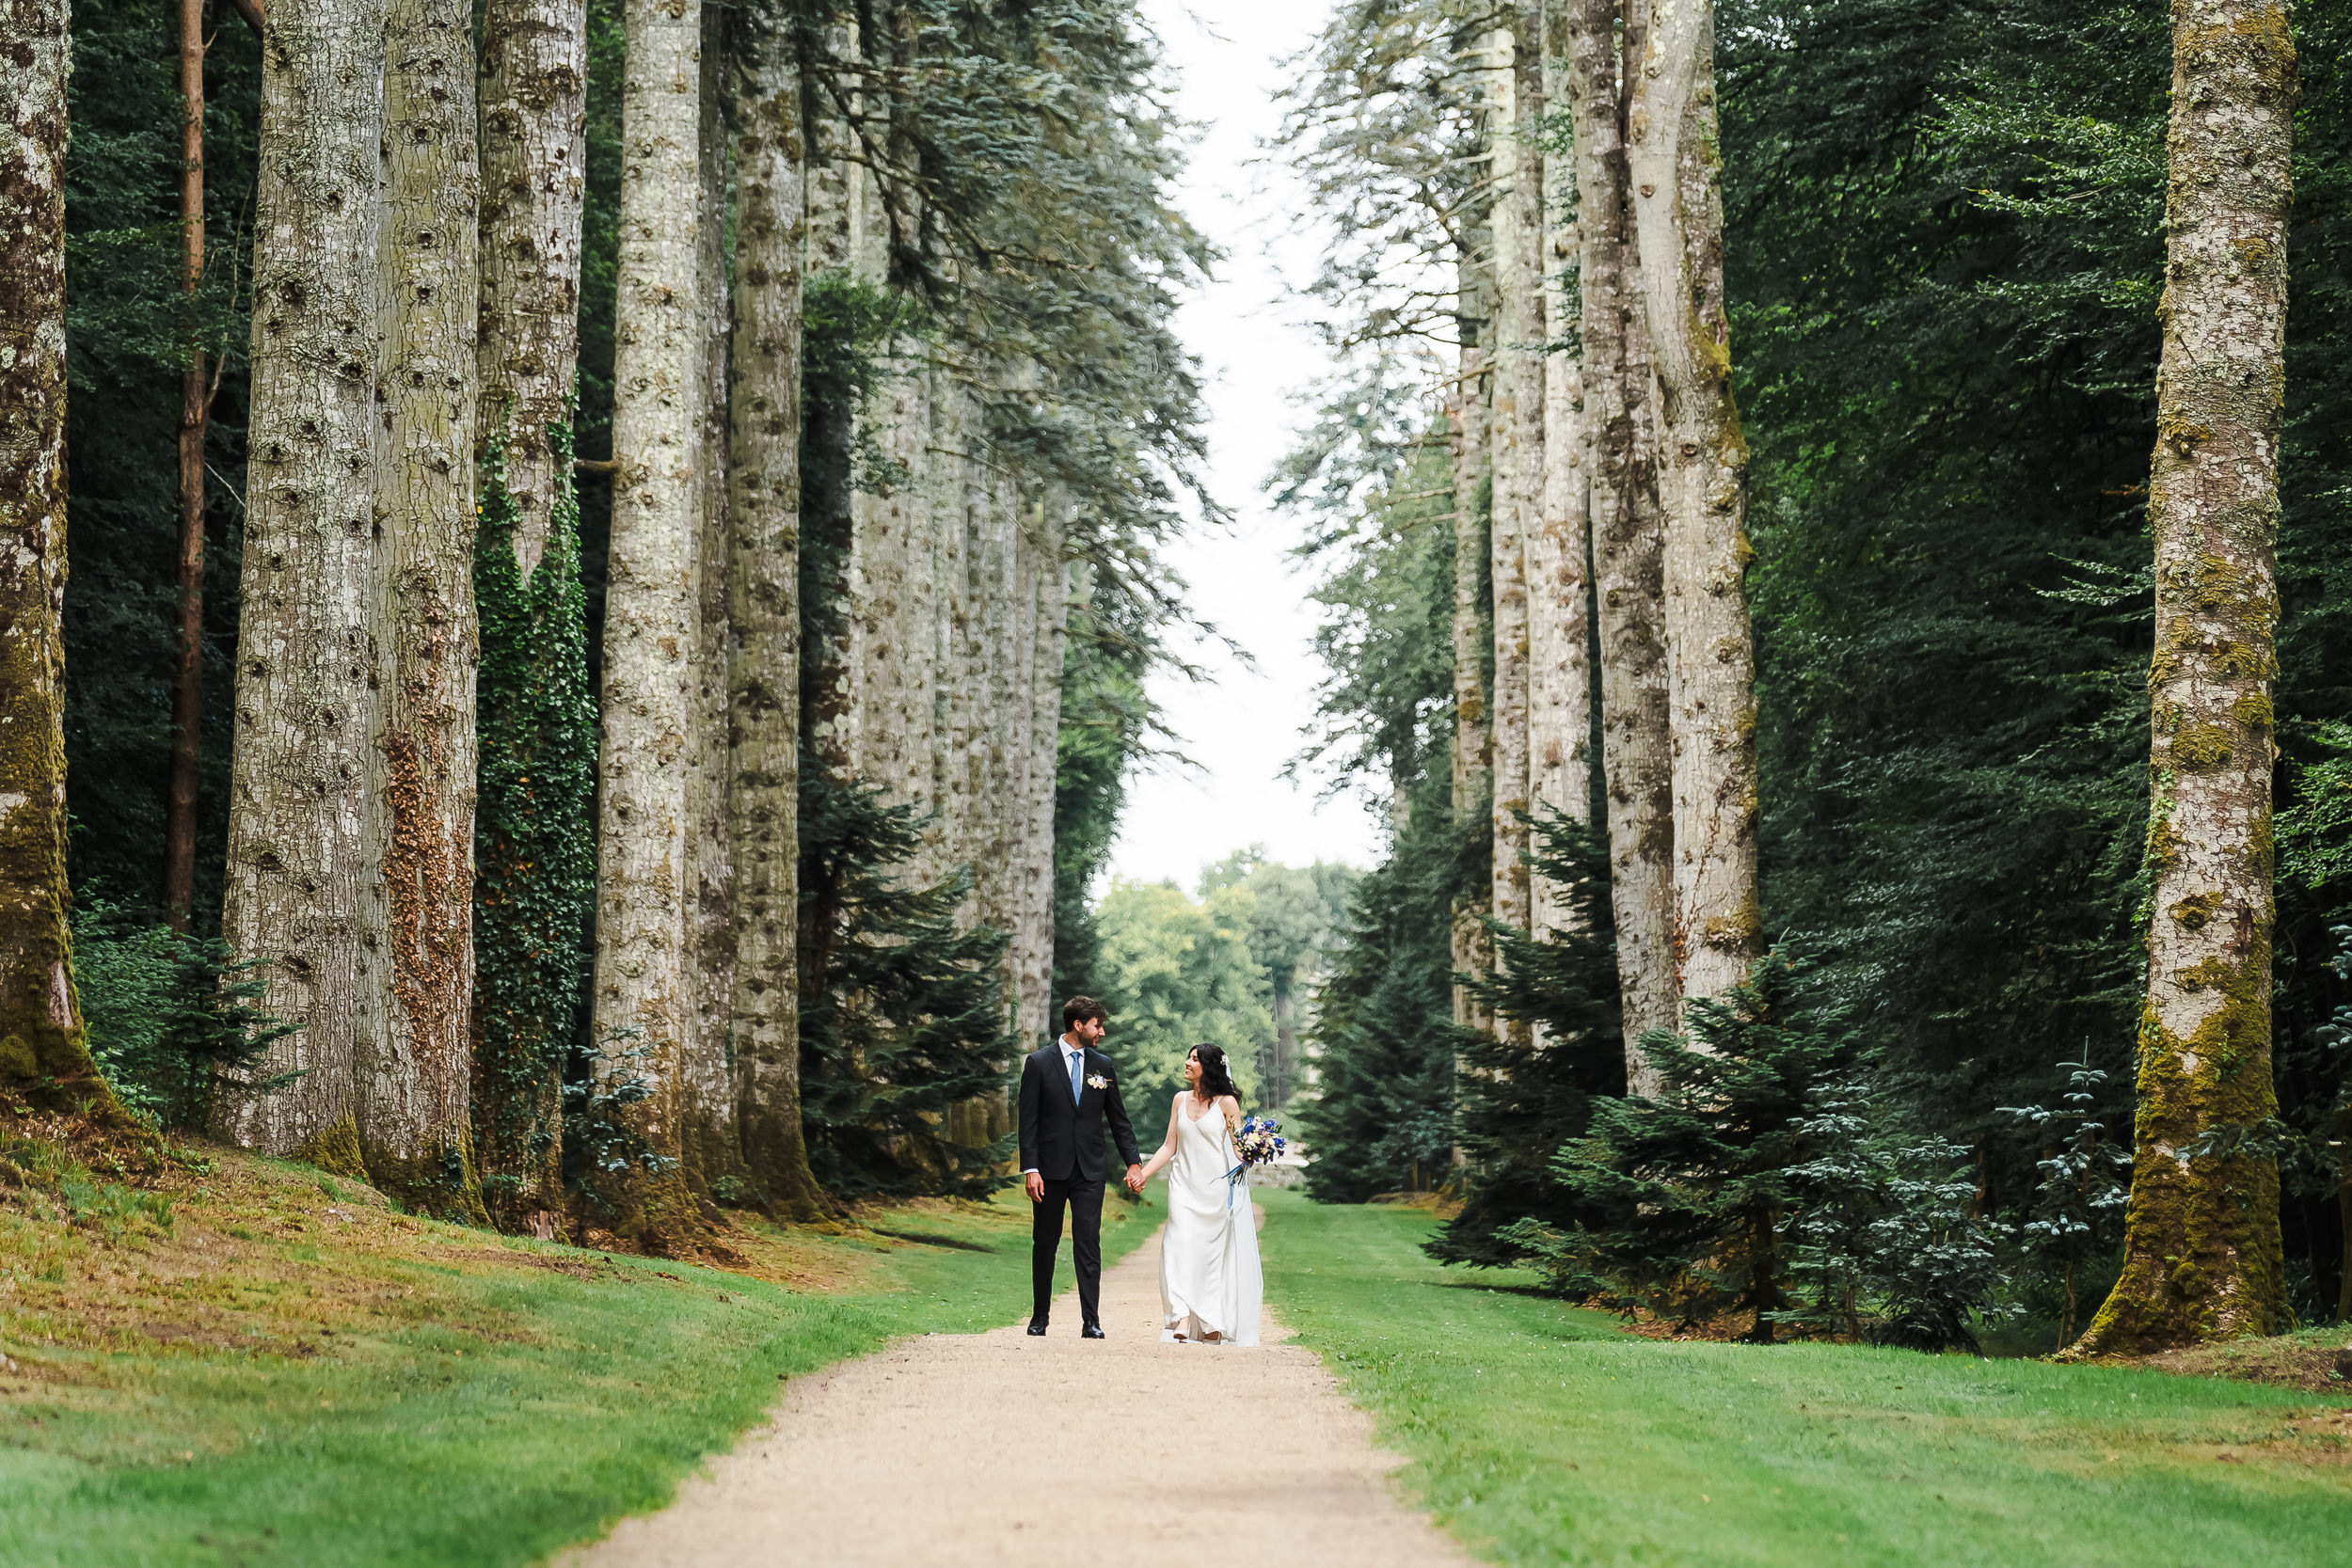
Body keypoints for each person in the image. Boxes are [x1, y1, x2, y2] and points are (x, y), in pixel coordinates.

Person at [1018, 995, 1143, 1338]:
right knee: (1045, 1242)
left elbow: (1119, 1120)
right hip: (1049, 1170)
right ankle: (1039, 1317)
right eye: (1097, 1025)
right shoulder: (1039, 1063)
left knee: (1088, 1242)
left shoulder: (1102, 1065)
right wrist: (1031, 1168)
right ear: (1078, 1025)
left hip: (1090, 1171)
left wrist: (1133, 1162)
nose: (1101, 1032)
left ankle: (1091, 1321)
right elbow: (1027, 1122)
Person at [1133, 1043, 1263, 1346]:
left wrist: (1257, 1147)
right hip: (1182, 1187)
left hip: (1214, 1191)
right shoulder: (1179, 1100)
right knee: (1176, 1245)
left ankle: (1210, 1320)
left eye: (1194, 1059)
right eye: (1189, 1057)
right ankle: (1182, 1316)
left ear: (1209, 1066)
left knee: (1207, 1257)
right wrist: (1144, 1173)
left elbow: (1237, 1147)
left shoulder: (1227, 1104)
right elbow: (1169, 1146)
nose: (1187, 1063)